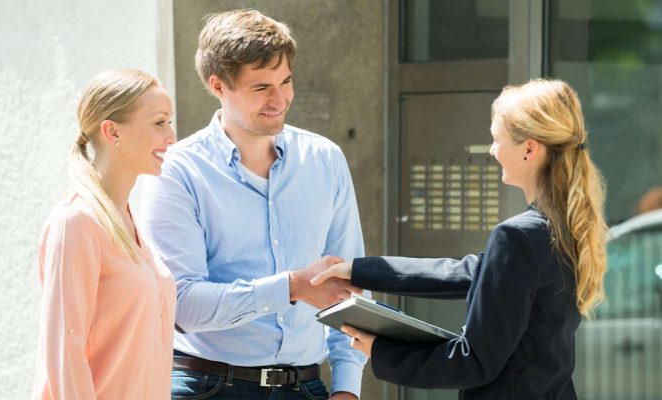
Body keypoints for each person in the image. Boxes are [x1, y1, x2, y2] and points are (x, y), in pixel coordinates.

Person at [311, 79, 608, 399]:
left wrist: (381, 350)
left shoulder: (519, 237)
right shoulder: (567, 228)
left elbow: (474, 361)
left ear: (529, 149)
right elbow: (464, 272)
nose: (492, 151)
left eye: (497, 140)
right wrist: (358, 270)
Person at [138, 9, 366, 400]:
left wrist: (347, 387)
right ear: (218, 86)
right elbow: (182, 306)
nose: (280, 99)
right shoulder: (178, 171)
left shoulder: (325, 159)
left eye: (286, 81)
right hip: (209, 388)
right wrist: (291, 287)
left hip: (307, 387)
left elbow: (351, 287)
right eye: (261, 87)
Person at [33, 69, 177, 399]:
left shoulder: (132, 221)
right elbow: (64, 354)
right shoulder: (75, 222)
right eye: (159, 123)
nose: (171, 137)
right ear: (112, 131)